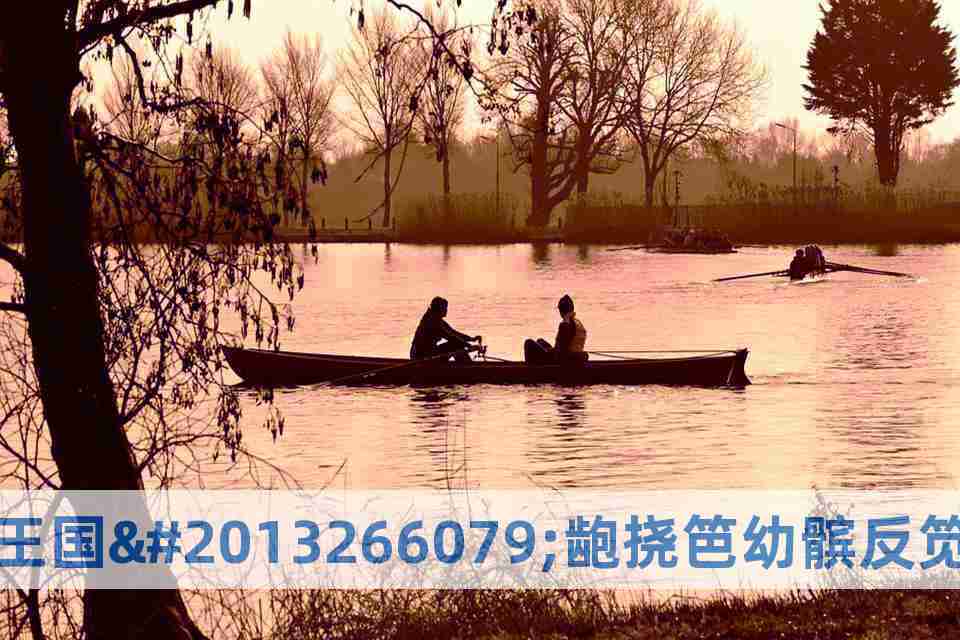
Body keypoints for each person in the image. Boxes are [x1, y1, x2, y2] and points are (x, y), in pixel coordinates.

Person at [410, 297, 482, 364]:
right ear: (439, 309)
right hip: (421, 356)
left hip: (429, 352)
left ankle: (467, 365)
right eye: (445, 308)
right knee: (456, 345)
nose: (446, 310)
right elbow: (451, 337)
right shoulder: (432, 321)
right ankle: (467, 366)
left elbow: (454, 333)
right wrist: (469, 346)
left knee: (457, 344)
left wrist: (471, 339)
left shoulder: (436, 318)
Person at [524, 294, 589, 365]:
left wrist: (550, 351)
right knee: (540, 341)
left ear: (561, 311)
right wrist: (550, 349)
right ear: (572, 309)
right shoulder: (577, 322)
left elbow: (560, 350)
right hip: (570, 355)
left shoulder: (565, 325)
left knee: (528, 343)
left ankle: (530, 368)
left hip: (561, 359)